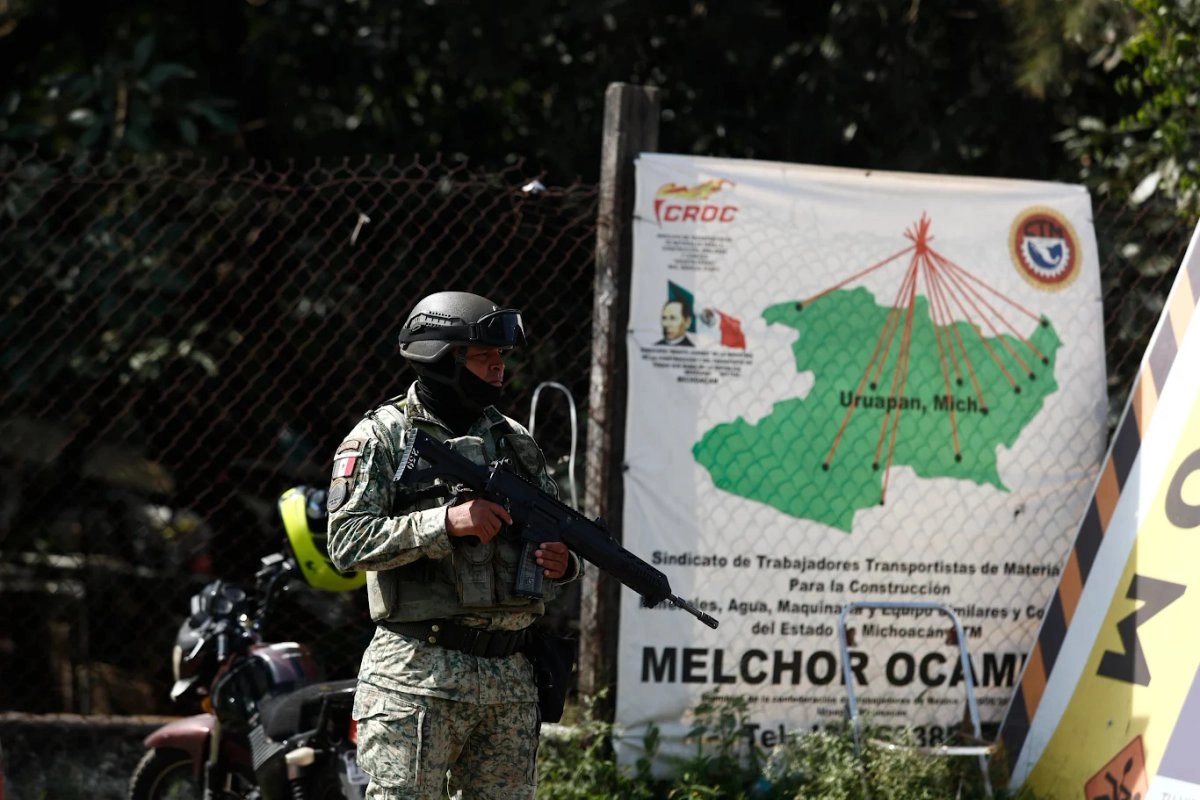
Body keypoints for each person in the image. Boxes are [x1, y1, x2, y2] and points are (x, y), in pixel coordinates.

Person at [326, 291, 582, 799]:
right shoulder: (382, 437)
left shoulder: (515, 442)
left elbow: (554, 536)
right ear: (441, 358)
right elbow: (347, 544)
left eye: (502, 356)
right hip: (417, 678)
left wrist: (564, 563)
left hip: (509, 680)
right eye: (484, 356)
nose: (499, 368)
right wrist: (445, 523)